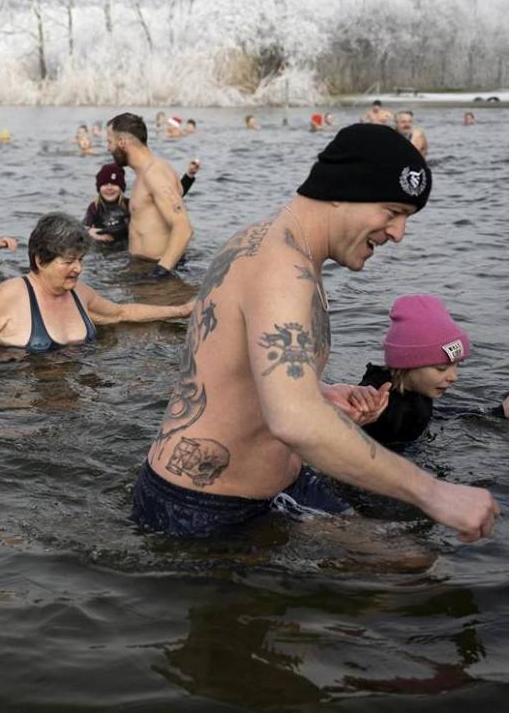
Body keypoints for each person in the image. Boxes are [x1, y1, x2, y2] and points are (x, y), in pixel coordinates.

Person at [132, 124, 499, 542]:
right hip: (206, 508)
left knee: (406, 563)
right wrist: (433, 493)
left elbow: (228, 366)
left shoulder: (265, 243)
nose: (398, 234)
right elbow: (295, 422)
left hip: (274, 485)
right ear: (343, 192)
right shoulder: (282, 271)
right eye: (393, 212)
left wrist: (317, 392)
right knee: (409, 573)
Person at [0, 213, 192, 366]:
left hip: (75, 406)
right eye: (68, 262)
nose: (78, 268)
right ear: (40, 261)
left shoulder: (81, 294)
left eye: (80, 260)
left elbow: (122, 313)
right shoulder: (10, 295)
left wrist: (181, 310)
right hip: (25, 408)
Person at [357, 295, 508, 448]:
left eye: (457, 365)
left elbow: (434, 415)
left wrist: (495, 413)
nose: (453, 377)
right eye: (441, 368)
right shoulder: (378, 402)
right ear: (408, 364)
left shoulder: (416, 389)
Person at [106, 112, 194, 278]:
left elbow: (183, 228)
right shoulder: (147, 172)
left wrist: (160, 273)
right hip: (143, 267)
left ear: (122, 142)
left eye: (109, 142)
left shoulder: (154, 173)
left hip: (158, 270)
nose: (108, 148)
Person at [85, 162, 199, 247]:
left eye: (114, 184)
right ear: (99, 187)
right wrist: (90, 232)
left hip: (125, 249)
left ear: (121, 187)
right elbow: (81, 228)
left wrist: (189, 176)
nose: (109, 188)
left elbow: (171, 198)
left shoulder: (130, 204)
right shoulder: (94, 207)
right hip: (103, 250)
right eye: (105, 184)